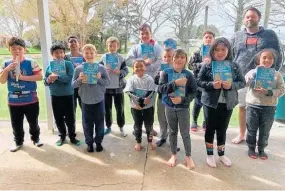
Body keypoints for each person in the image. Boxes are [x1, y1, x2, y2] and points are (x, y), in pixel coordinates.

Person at [231, 7, 284, 144]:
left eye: (253, 16)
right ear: (244, 19)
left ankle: (259, 139)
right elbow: (231, 55)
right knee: (242, 107)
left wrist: (272, 74)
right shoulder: (237, 36)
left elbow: (278, 55)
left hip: (263, 80)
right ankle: (242, 134)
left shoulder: (269, 34)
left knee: (261, 109)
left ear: (258, 18)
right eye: (247, 17)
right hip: (243, 79)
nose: (250, 19)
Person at [197, 37, 245, 168]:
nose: (220, 52)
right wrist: (212, 85)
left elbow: (242, 82)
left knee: (222, 130)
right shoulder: (207, 65)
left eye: (223, 49)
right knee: (210, 129)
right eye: (217, 50)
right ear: (212, 51)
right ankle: (210, 154)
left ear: (228, 50)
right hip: (210, 103)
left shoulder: (234, 66)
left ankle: (221, 154)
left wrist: (231, 85)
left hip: (228, 103)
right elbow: (199, 82)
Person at [0, 37, 44, 152]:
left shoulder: (31, 62)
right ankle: (18, 141)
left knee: (33, 122)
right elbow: (2, 81)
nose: (17, 51)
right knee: (16, 123)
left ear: (24, 49)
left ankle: (36, 138)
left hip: (31, 99)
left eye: (19, 48)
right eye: (14, 49)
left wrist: (23, 77)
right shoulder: (6, 63)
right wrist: (7, 70)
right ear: (9, 50)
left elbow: (40, 77)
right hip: (14, 101)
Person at [158, 49, 197, 170]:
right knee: (172, 131)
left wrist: (182, 100)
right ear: (172, 58)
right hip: (169, 107)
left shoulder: (189, 75)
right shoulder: (166, 72)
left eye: (182, 57)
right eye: (177, 57)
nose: (179, 60)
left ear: (185, 59)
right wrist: (175, 83)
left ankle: (188, 156)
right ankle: (173, 154)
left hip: (183, 108)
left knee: (185, 133)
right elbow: (161, 89)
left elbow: (193, 92)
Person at [245, 49, 285, 160]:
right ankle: (251, 148)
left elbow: (282, 90)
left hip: (269, 107)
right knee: (251, 129)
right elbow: (245, 82)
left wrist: (269, 92)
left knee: (265, 130)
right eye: (264, 58)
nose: (267, 60)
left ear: (273, 61)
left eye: (270, 58)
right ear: (259, 60)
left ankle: (261, 149)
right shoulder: (252, 72)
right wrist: (254, 75)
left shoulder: (277, 75)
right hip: (253, 105)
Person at [72, 44, 111, 152]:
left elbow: (107, 82)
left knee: (99, 123)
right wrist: (80, 79)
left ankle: (98, 142)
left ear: (96, 54)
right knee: (87, 124)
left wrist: (99, 78)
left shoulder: (101, 68)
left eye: (91, 53)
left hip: (99, 101)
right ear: (83, 55)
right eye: (86, 53)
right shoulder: (79, 69)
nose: (89, 55)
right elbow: (73, 85)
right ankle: (89, 143)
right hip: (85, 101)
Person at [44, 43, 80, 146]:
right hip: (55, 95)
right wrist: (49, 79)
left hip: (68, 95)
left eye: (61, 52)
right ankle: (62, 136)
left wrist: (58, 77)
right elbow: (45, 82)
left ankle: (72, 137)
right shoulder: (49, 66)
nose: (59, 54)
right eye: (56, 53)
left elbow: (70, 78)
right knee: (58, 117)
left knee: (70, 117)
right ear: (52, 54)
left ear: (64, 54)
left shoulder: (68, 64)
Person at [124, 59, 156, 151]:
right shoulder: (131, 79)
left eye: (141, 66)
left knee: (149, 126)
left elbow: (151, 92)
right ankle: (138, 142)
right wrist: (140, 101)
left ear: (145, 67)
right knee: (137, 126)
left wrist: (144, 101)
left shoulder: (149, 79)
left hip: (148, 108)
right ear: (133, 69)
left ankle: (150, 142)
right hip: (135, 108)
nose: (139, 68)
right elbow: (129, 92)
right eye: (136, 67)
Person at [100, 37, 129, 137]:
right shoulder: (104, 57)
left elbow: (126, 70)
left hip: (118, 88)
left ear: (118, 46)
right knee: (107, 109)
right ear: (107, 46)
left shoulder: (121, 57)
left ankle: (121, 126)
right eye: (110, 46)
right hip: (106, 88)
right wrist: (104, 70)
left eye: (114, 46)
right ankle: (108, 126)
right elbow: (98, 69)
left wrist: (120, 72)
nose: (112, 48)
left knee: (120, 108)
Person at [188, 31, 215, 132]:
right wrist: (202, 64)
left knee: (207, 103)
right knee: (197, 102)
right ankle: (194, 121)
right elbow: (190, 65)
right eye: (206, 37)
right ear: (203, 39)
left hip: (211, 83)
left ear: (213, 40)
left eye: (210, 37)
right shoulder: (197, 52)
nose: (208, 39)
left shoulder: (216, 53)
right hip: (198, 82)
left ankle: (205, 121)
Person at [65, 35, 85, 113]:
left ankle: (86, 125)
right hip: (70, 87)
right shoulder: (64, 57)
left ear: (78, 44)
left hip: (82, 86)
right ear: (68, 45)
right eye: (71, 42)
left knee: (84, 109)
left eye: (75, 41)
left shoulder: (84, 56)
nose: (73, 43)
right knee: (71, 110)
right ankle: (72, 125)